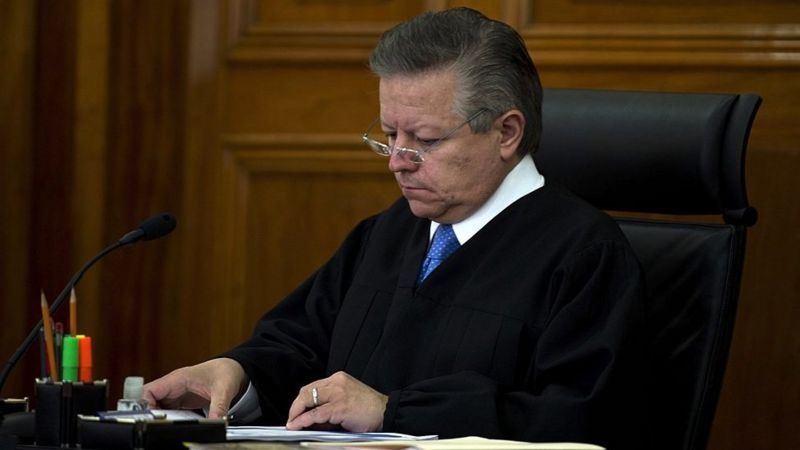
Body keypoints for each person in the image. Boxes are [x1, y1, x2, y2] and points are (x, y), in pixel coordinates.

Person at [143, 7, 646, 449]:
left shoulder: (584, 256)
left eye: (424, 140)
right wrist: (236, 373)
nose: (397, 162)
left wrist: (392, 413)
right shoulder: (387, 232)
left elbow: (577, 422)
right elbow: (301, 346)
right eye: (389, 135)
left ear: (506, 132)